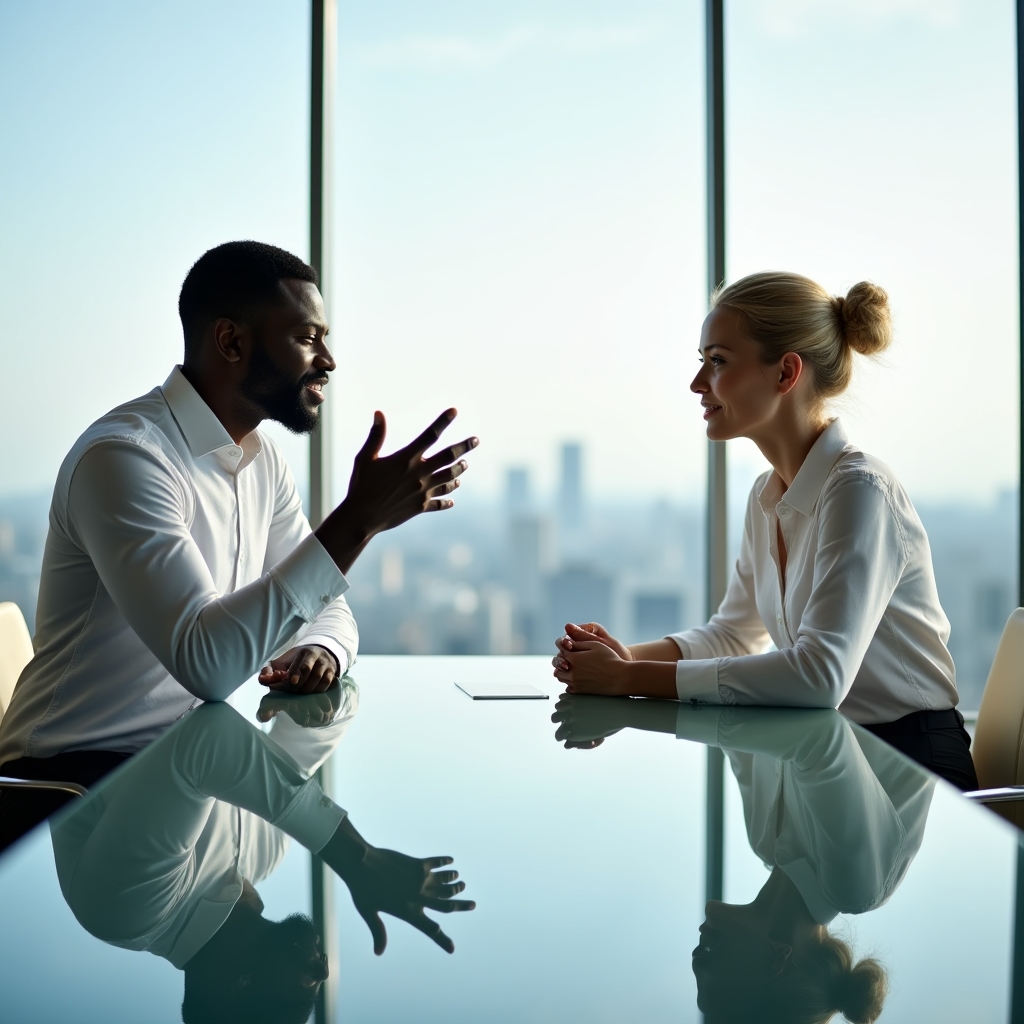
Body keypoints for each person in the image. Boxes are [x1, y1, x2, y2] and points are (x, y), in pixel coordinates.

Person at [0, 240, 478, 843]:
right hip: (70, 790)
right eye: (308, 337)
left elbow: (328, 609)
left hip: (187, 765)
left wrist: (323, 651)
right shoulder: (125, 459)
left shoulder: (262, 460)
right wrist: (357, 519)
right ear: (231, 342)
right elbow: (209, 664)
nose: (328, 360)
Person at [551, 272, 977, 789]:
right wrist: (624, 657)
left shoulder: (859, 491)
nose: (697, 383)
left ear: (785, 373)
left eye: (718, 361)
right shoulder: (764, 496)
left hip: (910, 767)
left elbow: (820, 676)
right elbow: (733, 634)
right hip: (828, 754)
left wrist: (627, 680)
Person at [50, 694, 474, 1024]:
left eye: (304, 993)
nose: (323, 974)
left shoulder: (128, 910)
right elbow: (322, 725)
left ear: (241, 984)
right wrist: (322, 685)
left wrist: (353, 856)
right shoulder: (263, 854)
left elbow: (206, 738)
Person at [551, 694, 935, 1023]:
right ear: (775, 963)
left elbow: (734, 715)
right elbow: (817, 733)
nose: (694, 959)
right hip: (887, 667)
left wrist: (623, 685)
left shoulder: (765, 841)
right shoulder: (854, 885)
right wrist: (627, 712)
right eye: (710, 971)